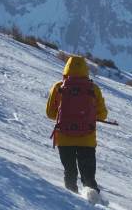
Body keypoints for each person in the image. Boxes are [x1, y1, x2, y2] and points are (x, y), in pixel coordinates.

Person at [46, 55, 108, 193]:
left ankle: (72, 201)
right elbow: (103, 114)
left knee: (70, 172)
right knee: (88, 176)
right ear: (85, 69)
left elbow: (50, 113)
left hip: (64, 137)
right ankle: (94, 201)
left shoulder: (58, 87)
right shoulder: (93, 88)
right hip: (87, 138)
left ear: (66, 69)